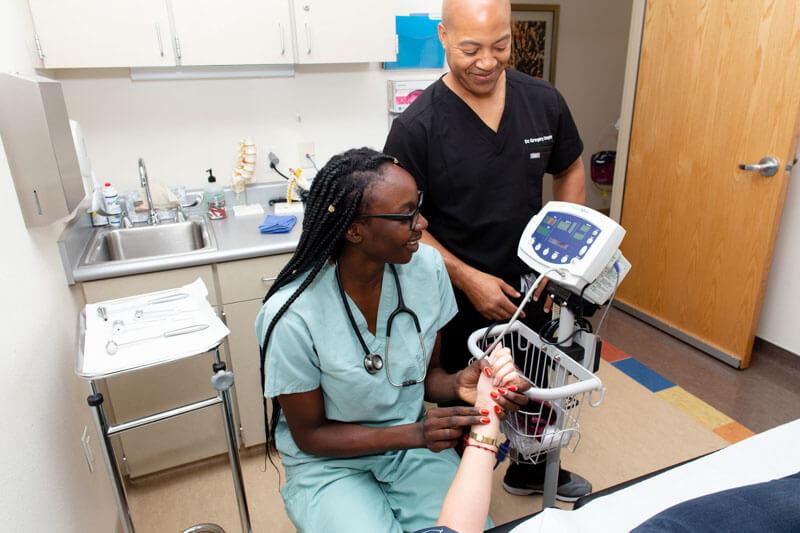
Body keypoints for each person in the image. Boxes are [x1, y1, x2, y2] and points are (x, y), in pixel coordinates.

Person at [256, 148, 527, 532]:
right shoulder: (291, 316)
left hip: (410, 449)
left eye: (417, 207)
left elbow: (427, 375)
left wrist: (457, 383)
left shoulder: (426, 270)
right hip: (330, 463)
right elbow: (310, 435)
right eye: (406, 216)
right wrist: (416, 433)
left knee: (467, 526)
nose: (423, 223)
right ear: (354, 230)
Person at [384, 0, 591, 501]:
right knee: (469, 399)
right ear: (443, 36)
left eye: (500, 46)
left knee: (536, 386)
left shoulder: (542, 101)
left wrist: (563, 262)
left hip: (535, 285)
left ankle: (530, 466)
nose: (486, 61)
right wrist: (467, 278)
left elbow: (569, 168)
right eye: (470, 48)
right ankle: (457, 494)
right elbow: (405, 221)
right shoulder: (418, 127)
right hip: (455, 297)